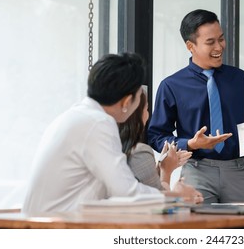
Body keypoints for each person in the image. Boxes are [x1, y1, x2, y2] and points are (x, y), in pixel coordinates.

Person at [22, 53, 202, 213]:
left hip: (46, 224)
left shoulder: (75, 116)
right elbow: (127, 192)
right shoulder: (99, 123)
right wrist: (176, 196)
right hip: (58, 230)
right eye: (140, 96)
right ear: (126, 102)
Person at [147, 9, 244, 204]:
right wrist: (190, 144)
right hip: (197, 170)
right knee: (200, 228)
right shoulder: (172, 86)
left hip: (237, 173)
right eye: (210, 42)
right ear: (190, 46)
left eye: (221, 39)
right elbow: (156, 136)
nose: (219, 47)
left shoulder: (240, 79)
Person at [118, 89, 192, 190]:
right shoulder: (141, 152)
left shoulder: (107, 145)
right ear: (137, 113)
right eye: (147, 109)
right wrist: (166, 170)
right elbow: (159, 201)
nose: (148, 115)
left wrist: (158, 169)